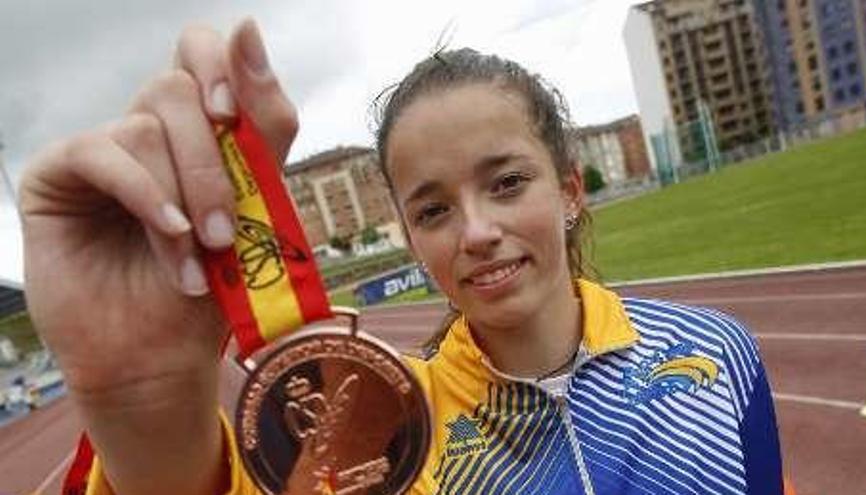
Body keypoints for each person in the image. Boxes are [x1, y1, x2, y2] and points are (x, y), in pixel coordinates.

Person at [20, 19, 786, 495]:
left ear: (570, 190)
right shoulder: (385, 435)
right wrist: (140, 404)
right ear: (413, 240)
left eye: (507, 182)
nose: (476, 229)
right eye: (433, 209)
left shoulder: (716, 352)